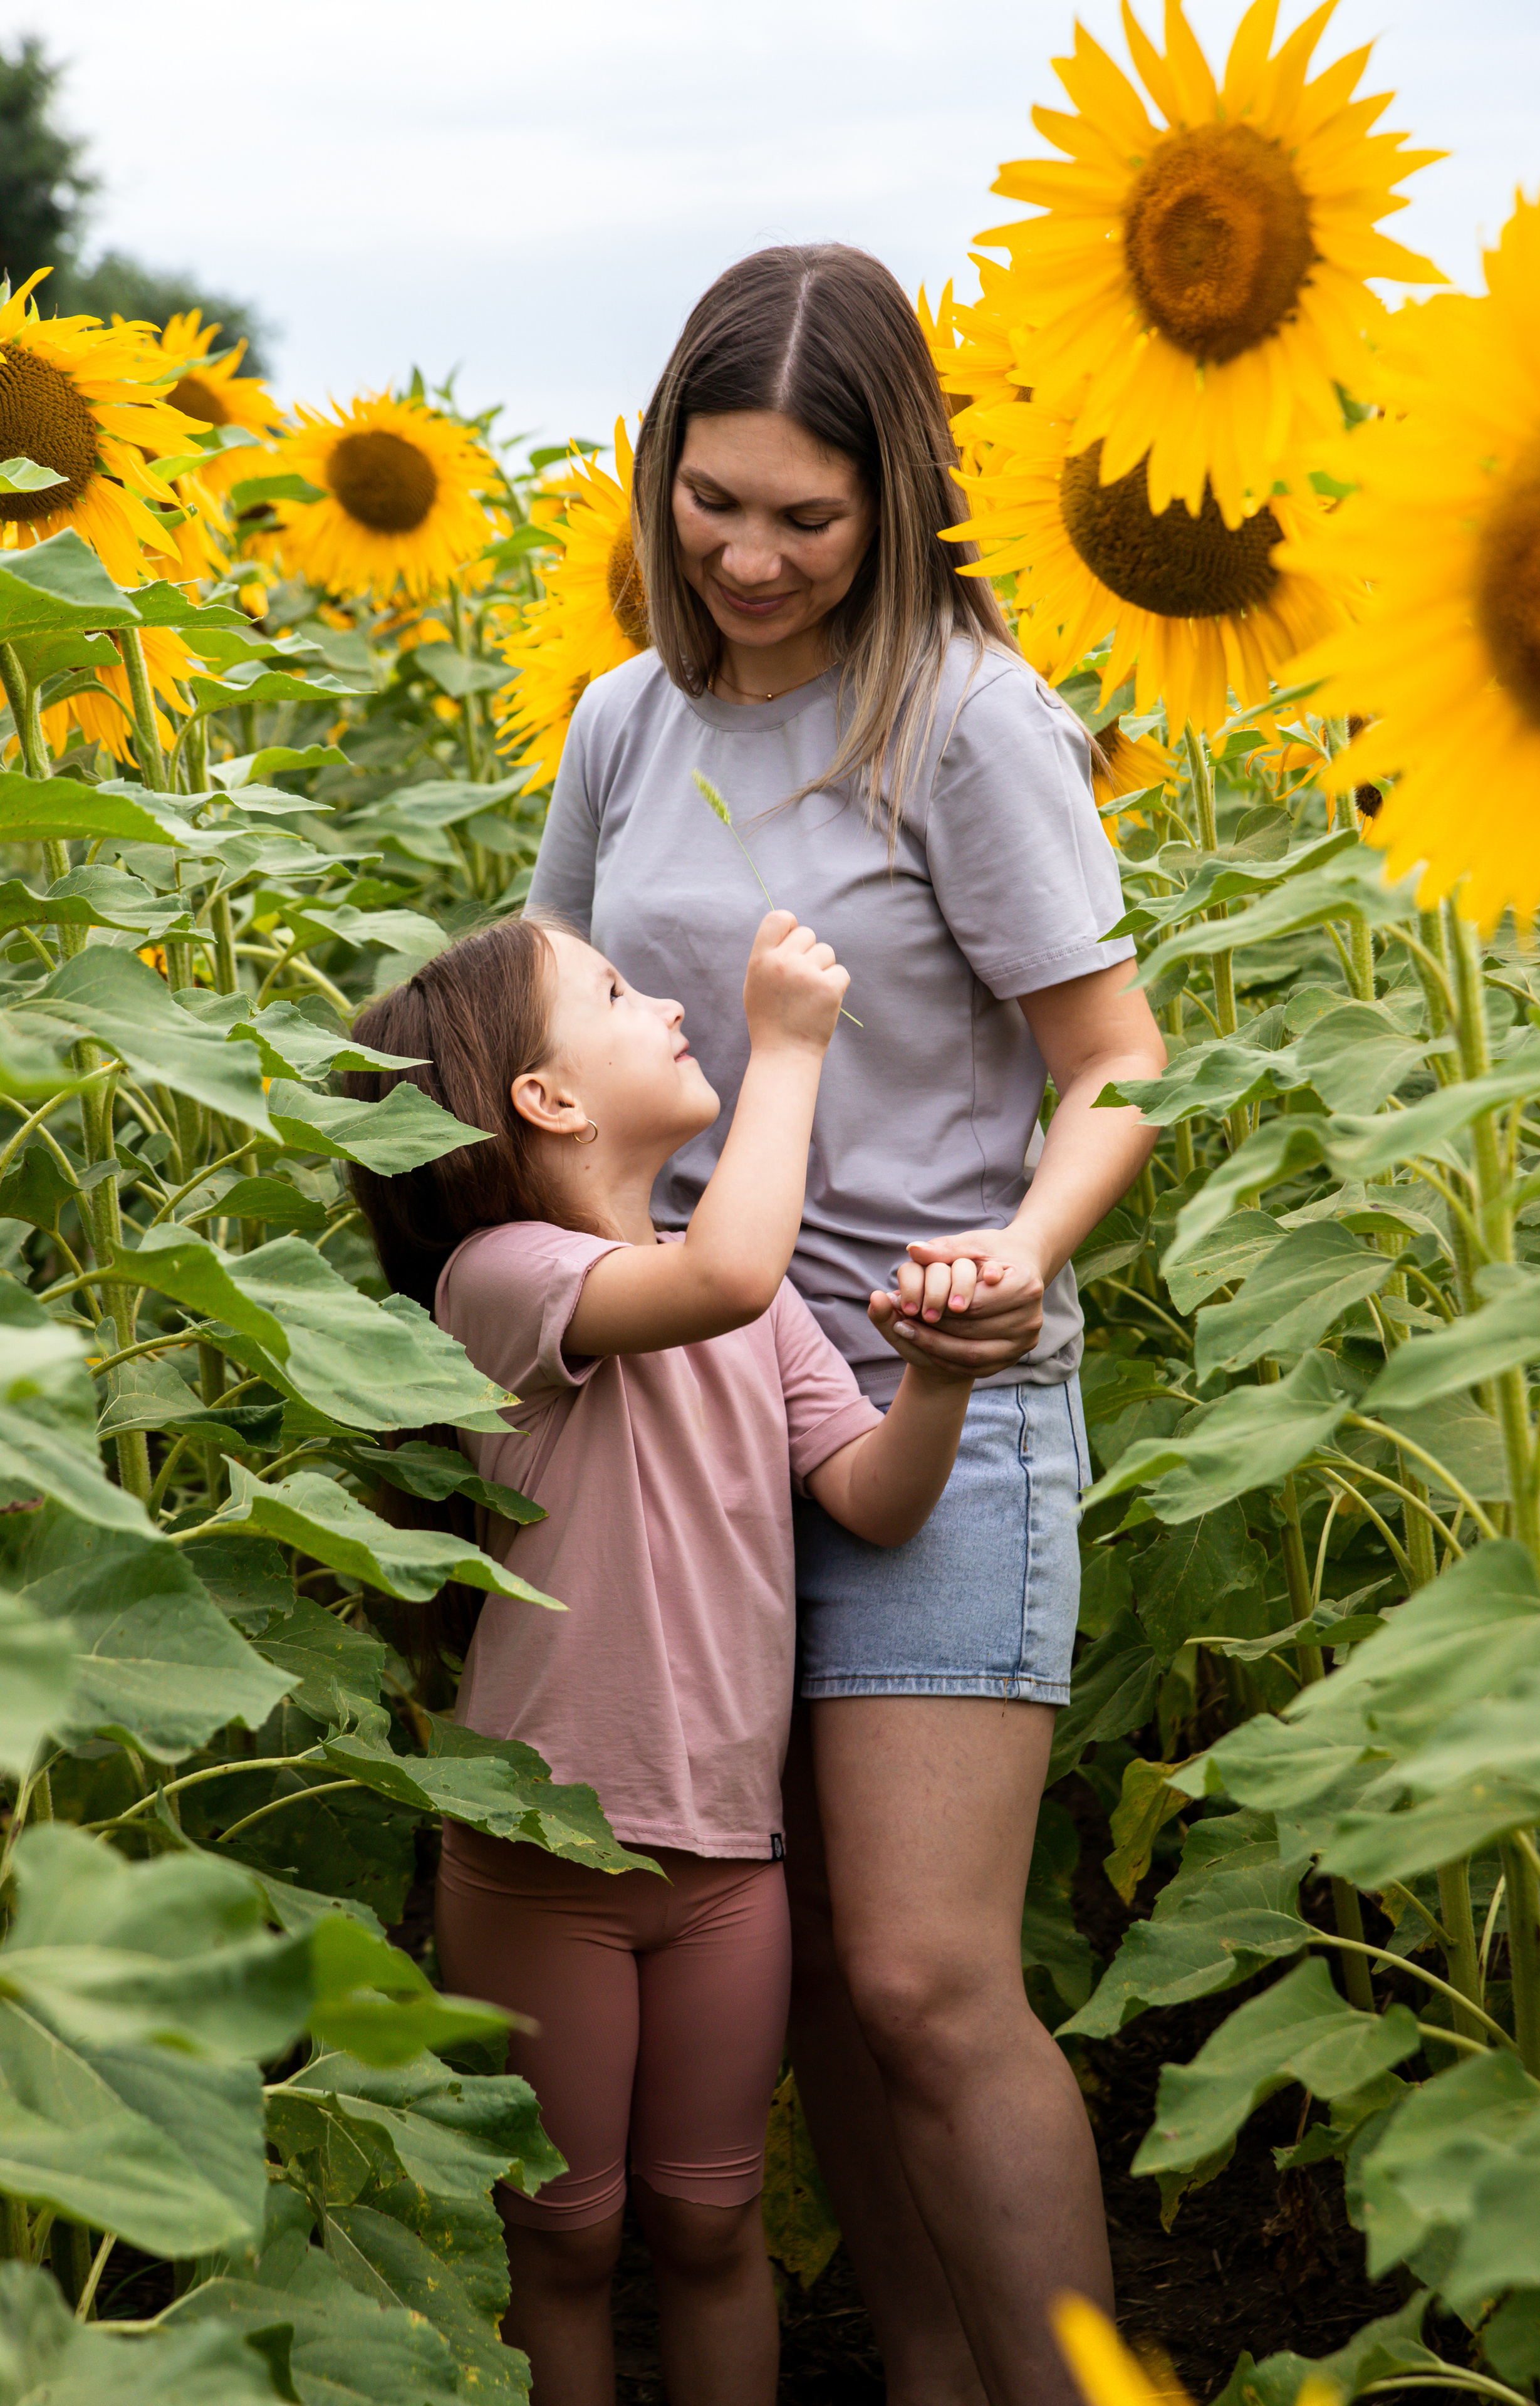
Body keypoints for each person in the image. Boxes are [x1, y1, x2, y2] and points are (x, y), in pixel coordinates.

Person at [524, 241, 1169, 2406]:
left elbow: (1117, 1057)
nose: (753, 555)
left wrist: (1023, 1250)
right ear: (657, 473)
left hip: (928, 1378)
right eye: (713, 502)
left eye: (809, 515)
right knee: (793, 1982)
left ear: (898, 496)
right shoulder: (624, 721)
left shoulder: (963, 719)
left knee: (920, 1976)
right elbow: (542, 1032)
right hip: (672, 1418)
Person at [345, 907, 979, 2406]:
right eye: (619, 995)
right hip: (539, 1859)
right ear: (543, 1101)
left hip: (723, 1861)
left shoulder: (740, 1305)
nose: (670, 1007)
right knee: (560, 2241)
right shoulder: (502, 1281)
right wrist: (792, 1045)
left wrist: (939, 1383)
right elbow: (730, 1277)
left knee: (710, 2222)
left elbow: (873, 1498)